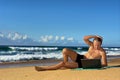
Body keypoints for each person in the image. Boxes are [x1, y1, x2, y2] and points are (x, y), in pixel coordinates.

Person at [35, 35, 107, 71]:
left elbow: (105, 64)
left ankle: (45, 68)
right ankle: (66, 66)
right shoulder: (91, 45)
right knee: (65, 50)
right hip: (80, 57)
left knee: (63, 63)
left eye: (98, 45)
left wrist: (94, 64)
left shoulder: (102, 52)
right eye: (95, 44)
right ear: (93, 43)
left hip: (83, 64)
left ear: (101, 44)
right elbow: (85, 38)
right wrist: (95, 36)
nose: (96, 46)